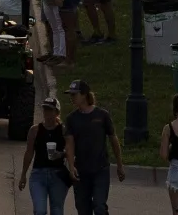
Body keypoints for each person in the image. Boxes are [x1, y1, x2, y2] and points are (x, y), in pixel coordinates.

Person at [63, 81, 122, 215]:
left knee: (99, 206)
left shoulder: (102, 115)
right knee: (83, 208)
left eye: (74, 94)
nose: (71, 98)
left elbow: (113, 139)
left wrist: (119, 164)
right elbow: (69, 144)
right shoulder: (72, 118)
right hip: (81, 171)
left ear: (84, 95)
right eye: (70, 95)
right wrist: (71, 166)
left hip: (100, 169)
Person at [19, 95, 72, 215]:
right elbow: (29, 153)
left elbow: (70, 150)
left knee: (57, 210)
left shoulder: (63, 130)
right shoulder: (35, 130)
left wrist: (61, 154)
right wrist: (23, 175)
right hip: (39, 174)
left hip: (58, 175)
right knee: (40, 210)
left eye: (50, 109)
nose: (47, 112)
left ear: (56, 112)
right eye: (45, 109)